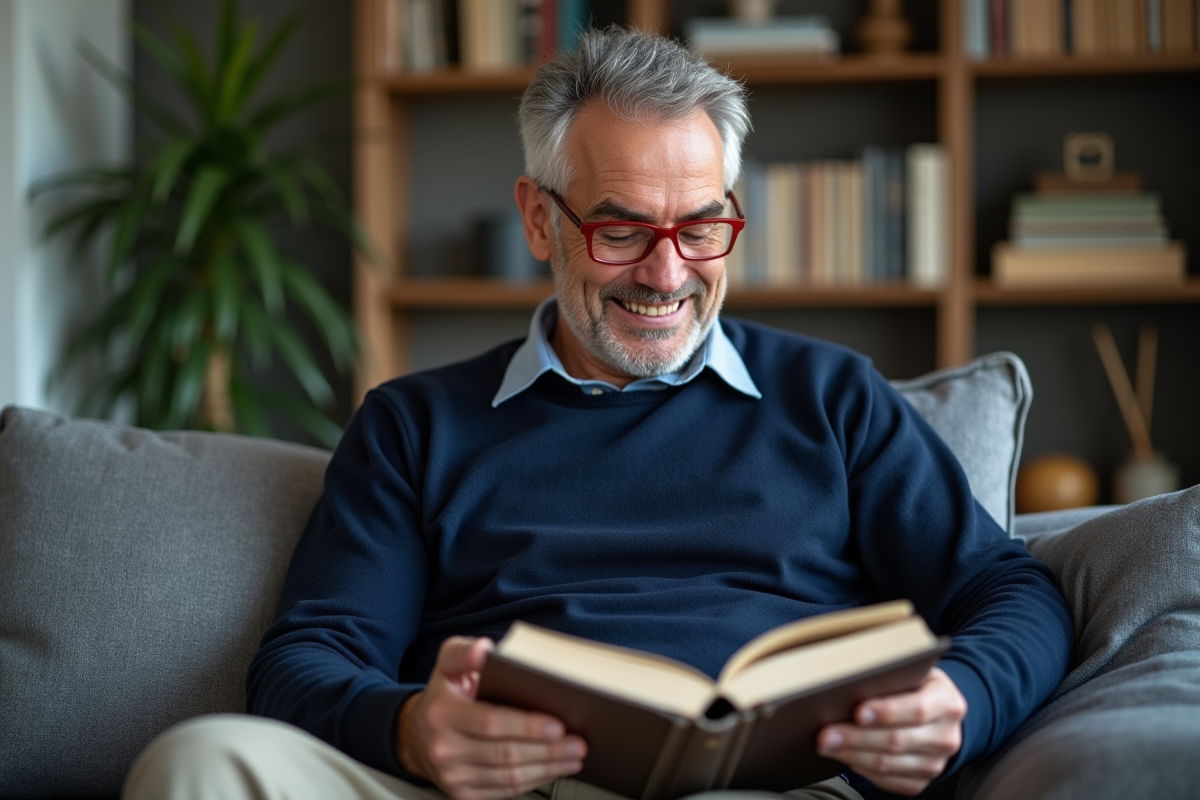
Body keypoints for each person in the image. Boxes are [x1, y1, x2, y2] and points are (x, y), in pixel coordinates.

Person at [123, 27, 1072, 800]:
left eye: (701, 226)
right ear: (541, 220)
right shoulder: (414, 425)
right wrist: (411, 730)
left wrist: (962, 695)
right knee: (199, 763)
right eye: (621, 230)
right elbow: (308, 658)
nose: (667, 273)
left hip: (775, 793)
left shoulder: (832, 399)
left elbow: (1010, 589)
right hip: (502, 791)